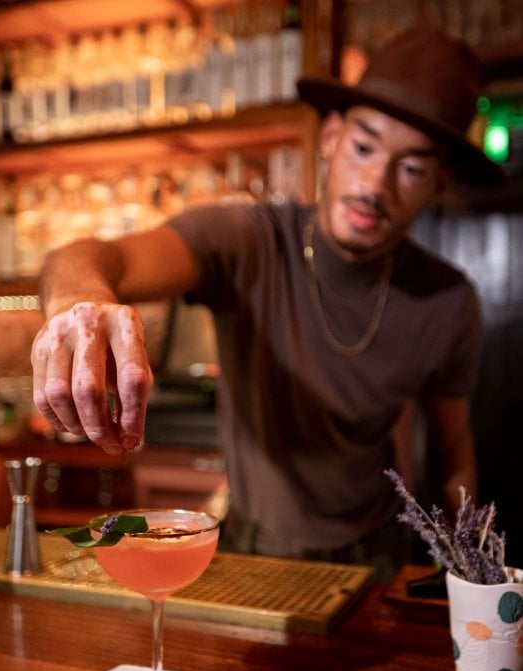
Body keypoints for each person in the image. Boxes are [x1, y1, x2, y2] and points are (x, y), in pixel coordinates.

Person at [31, 27, 503, 579]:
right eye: (364, 146)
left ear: (438, 184)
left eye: (412, 167)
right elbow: (94, 256)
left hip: (379, 553)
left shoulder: (447, 300)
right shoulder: (248, 240)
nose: (376, 183)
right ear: (330, 137)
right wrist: (81, 305)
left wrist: (469, 576)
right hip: (254, 546)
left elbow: (454, 459)